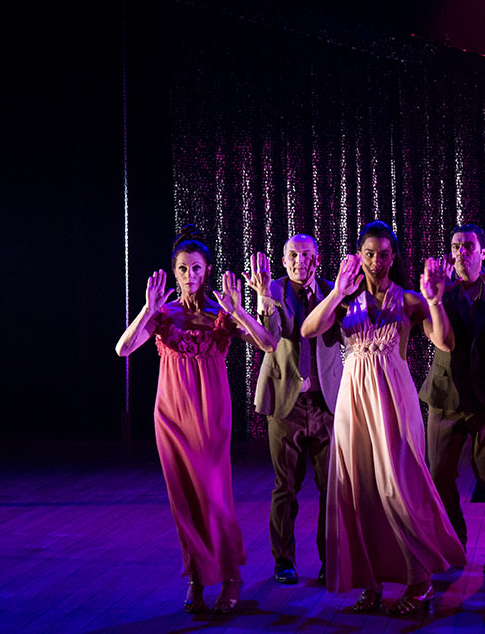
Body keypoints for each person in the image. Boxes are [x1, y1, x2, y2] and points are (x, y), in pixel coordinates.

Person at [301, 221, 466, 615]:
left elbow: (445, 342)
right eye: (369, 254)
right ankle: (370, 583)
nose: (376, 262)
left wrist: (436, 301)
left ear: (393, 257)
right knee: (358, 489)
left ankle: (420, 579)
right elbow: (308, 329)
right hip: (353, 400)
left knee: (399, 485)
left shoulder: (408, 299)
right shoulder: (343, 298)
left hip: (393, 397)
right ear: (359, 257)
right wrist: (338, 292)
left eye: (384, 254)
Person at [115, 225, 277, 614]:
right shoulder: (163, 314)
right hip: (170, 416)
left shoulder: (220, 314)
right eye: (184, 269)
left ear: (208, 271)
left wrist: (239, 312)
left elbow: (269, 344)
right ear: (175, 273)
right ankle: (196, 578)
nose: (190, 276)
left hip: (209, 416)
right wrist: (147, 309)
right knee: (184, 503)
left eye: (197, 269)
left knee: (214, 497)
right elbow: (123, 349)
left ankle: (231, 577)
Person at [419, 224, 485, 573]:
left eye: (468, 246)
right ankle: (453, 543)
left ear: (483, 252)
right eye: (456, 246)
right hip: (446, 395)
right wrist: (436, 297)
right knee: (440, 473)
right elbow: (435, 335)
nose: (462, 252)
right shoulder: (439, 291)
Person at [248, 235, 343, 585]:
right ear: (284, 260)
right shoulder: (271, 289)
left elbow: (343, 337)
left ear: (317, 259)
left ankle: (329, 558)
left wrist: (337, 298)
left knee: (329, 487)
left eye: (306, 255)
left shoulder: (335, 291)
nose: (299, 261)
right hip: (286, 405)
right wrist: (263, 298)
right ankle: (283, 562)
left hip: (325, 404)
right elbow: (274, 334)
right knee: (285, 486)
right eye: (292, 255)